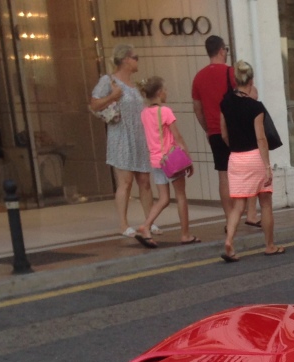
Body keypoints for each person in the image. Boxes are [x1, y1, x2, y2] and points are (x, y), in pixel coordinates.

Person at [191, 36, 260, 229]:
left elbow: (197, 107)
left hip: (214, 130)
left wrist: (207, 128)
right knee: (249, 171)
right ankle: (252, 214)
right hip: (236, 129)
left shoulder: (198, 77)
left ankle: (231, 218)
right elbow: (252, 95)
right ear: (222, 50)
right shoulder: (231, 72)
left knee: (223, 175)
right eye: (226, 50)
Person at [219, 60, 284, 261]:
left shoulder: (225, 103)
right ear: (251, 80)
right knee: (265, 203)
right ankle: (270, 245)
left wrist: (234, 147)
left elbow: (223, 134)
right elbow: (261, 138)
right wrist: (266, 167)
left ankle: (229, 240)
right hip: (255, 156)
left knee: (238, 206)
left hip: (236, 159)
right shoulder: (255, 107)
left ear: (236, 80)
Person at [89, 44, 154, 238]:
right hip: (121, 135)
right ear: (125, 59)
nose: (137, 61)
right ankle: (123, 224)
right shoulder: (108, 81)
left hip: (138, 135)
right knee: (125, 182)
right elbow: (93, 104)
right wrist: (112, 96)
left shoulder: (135, 84)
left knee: (144, 181)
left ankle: (149, 221)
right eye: (136, 57)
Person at [135, 76, 197, 247]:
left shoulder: (144, 113)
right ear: (160, 92)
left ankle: (146, 226)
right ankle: (185, 234)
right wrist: (188, 159)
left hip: (156, 161)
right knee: (181, 196)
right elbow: (177, 137)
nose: (167, 93)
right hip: (171, 160)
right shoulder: (165, 112)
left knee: (163, 199)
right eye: (166, 90)